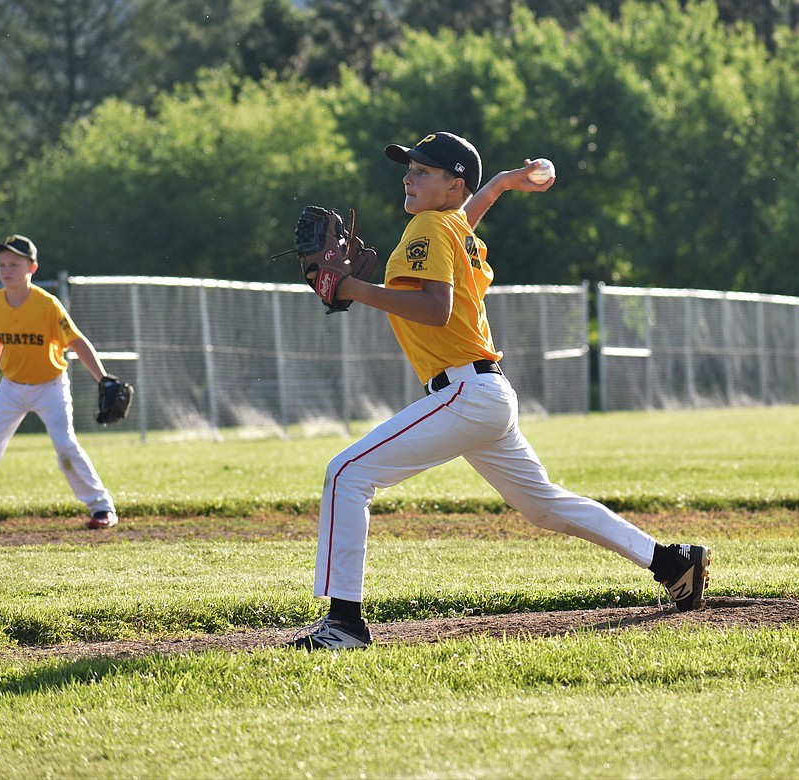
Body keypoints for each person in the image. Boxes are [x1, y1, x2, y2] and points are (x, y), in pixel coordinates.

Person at [292, 132, 711, 651]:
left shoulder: (430, 224)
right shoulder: (448, 224)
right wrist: (504, 183)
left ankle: (344, 625)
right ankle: (672, 562)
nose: (409, 176)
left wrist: (351, 288)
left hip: (464, 393)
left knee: (347, 474)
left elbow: (435, 310)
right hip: (483, 393)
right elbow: (470, 213)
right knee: (544, 508)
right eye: (409, 168)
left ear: (453, 184)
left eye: (423, 170)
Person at [0, 234, 120, 531]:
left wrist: (102, 378)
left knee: (65, 447)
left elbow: (76, 342)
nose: (6, 269)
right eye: (2, 264)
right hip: (11, 387)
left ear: (32, 268)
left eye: (14, 264)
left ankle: (102, 507)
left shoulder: (47, 305)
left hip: (50, 386)